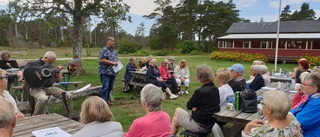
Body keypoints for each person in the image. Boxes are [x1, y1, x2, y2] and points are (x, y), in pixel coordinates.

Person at [17, 51, 73, 117]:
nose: (52, 63)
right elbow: (21, 71)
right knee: (42, 98)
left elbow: (58, 79)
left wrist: (58, 71)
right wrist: (21, 76)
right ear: (45, 58)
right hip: (37, 88)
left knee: (68, 95)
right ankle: (36, 117)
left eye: (53, 62)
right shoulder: (34, 63)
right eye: (51, 61)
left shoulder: (50, 66)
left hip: (50, 87)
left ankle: (67, 116)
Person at [171, 64, 220, 136]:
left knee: (177, 110)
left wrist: (196, 108)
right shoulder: (215, 89)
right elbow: (209, 105)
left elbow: (189, 105)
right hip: (211, 123)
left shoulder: (200, 91)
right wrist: (197, 108)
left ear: (199, 76)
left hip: (200, 125)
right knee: (175, 120)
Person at [291, 72, 320, 136]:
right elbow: (297, 110)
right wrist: (283, 113)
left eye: (304, 84)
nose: (301, 86)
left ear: (314, 89)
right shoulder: (312, 98)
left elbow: (298, 124)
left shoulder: (316, 104)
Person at [99, 37, 119, 104]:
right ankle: (103, 103)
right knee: (105, 87)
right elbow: (102, 60)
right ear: (107, 42)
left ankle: (107, 100)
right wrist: (112, 63)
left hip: (112, 72)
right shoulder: (104, 50)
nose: (113, 42)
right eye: (111, 41)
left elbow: (115, 60)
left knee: (110, 87)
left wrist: (117, 64)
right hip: (105, 72)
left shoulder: (113, 51)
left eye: (113, 41)